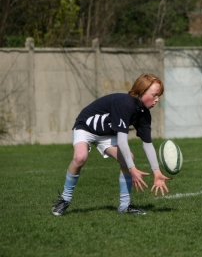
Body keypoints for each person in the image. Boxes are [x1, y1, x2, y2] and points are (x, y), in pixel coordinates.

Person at [51, 74, 172, 216]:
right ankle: (64, 199)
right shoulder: (125, 103)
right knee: (80, 157)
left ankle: (125, 206)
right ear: (141, 91)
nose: (157, 99)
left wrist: (156, 172)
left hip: (107, 133)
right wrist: (132, 169)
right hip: (86, 127)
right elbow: (122, 141)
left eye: (159, 96)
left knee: (128, 158)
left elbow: (147, 144)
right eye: (154, 95)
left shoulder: (144, 114)